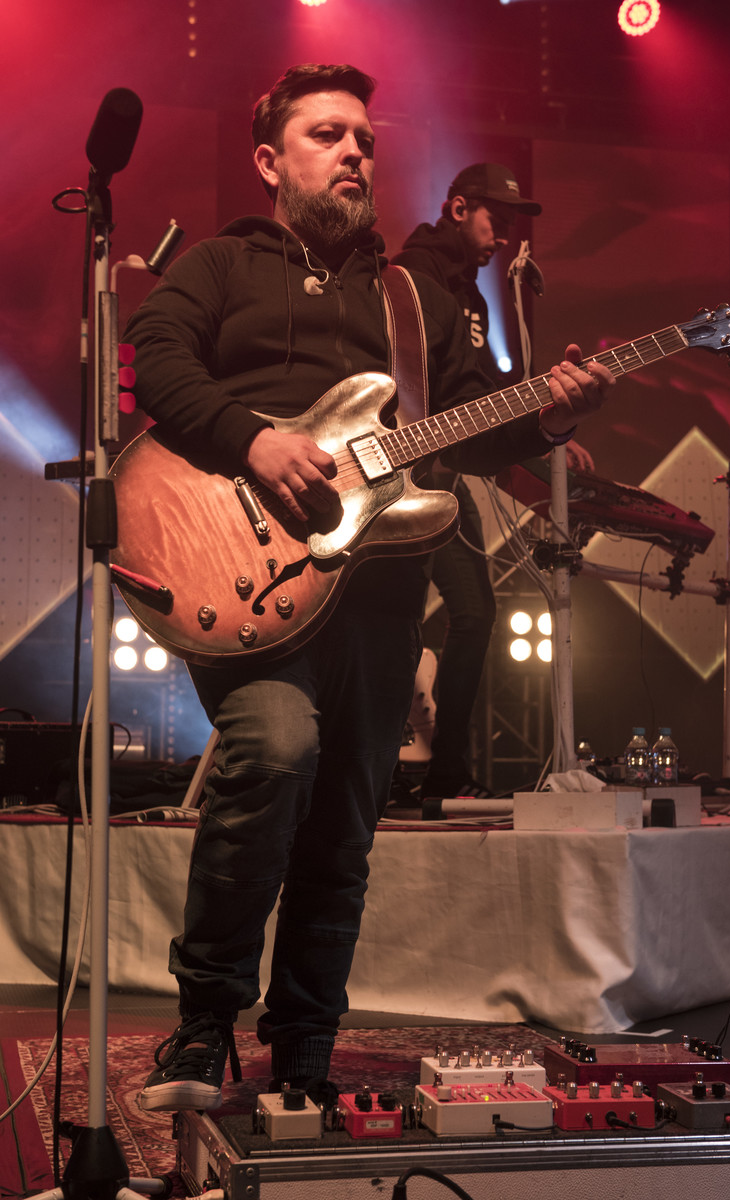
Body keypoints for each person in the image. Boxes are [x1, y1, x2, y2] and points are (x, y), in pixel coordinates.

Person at [124, 63, 614, 1114]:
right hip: (246, 569)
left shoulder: (412, 299)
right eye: (328, 135)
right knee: (274, 750)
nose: (355, 152)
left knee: (344, 827)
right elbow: (155, 357)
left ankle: (304, 1048)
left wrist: (555, 413)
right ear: (270, 160)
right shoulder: (220, 265)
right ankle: (204, 1027)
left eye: (365, 140)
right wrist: (253, 439)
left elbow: (475, 431)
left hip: (382, 594)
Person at [392, 164, 594, 800]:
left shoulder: (474, 300)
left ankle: (445, 772)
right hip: (393, 487)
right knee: (394, 617)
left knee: (476, 613)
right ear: (457, 209)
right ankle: (378, 769)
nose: (504, 236)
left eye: (509, 225)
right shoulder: (410, 276)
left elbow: (477, 391)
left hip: (444, 481)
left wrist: (546, 420)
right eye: (494, 220)